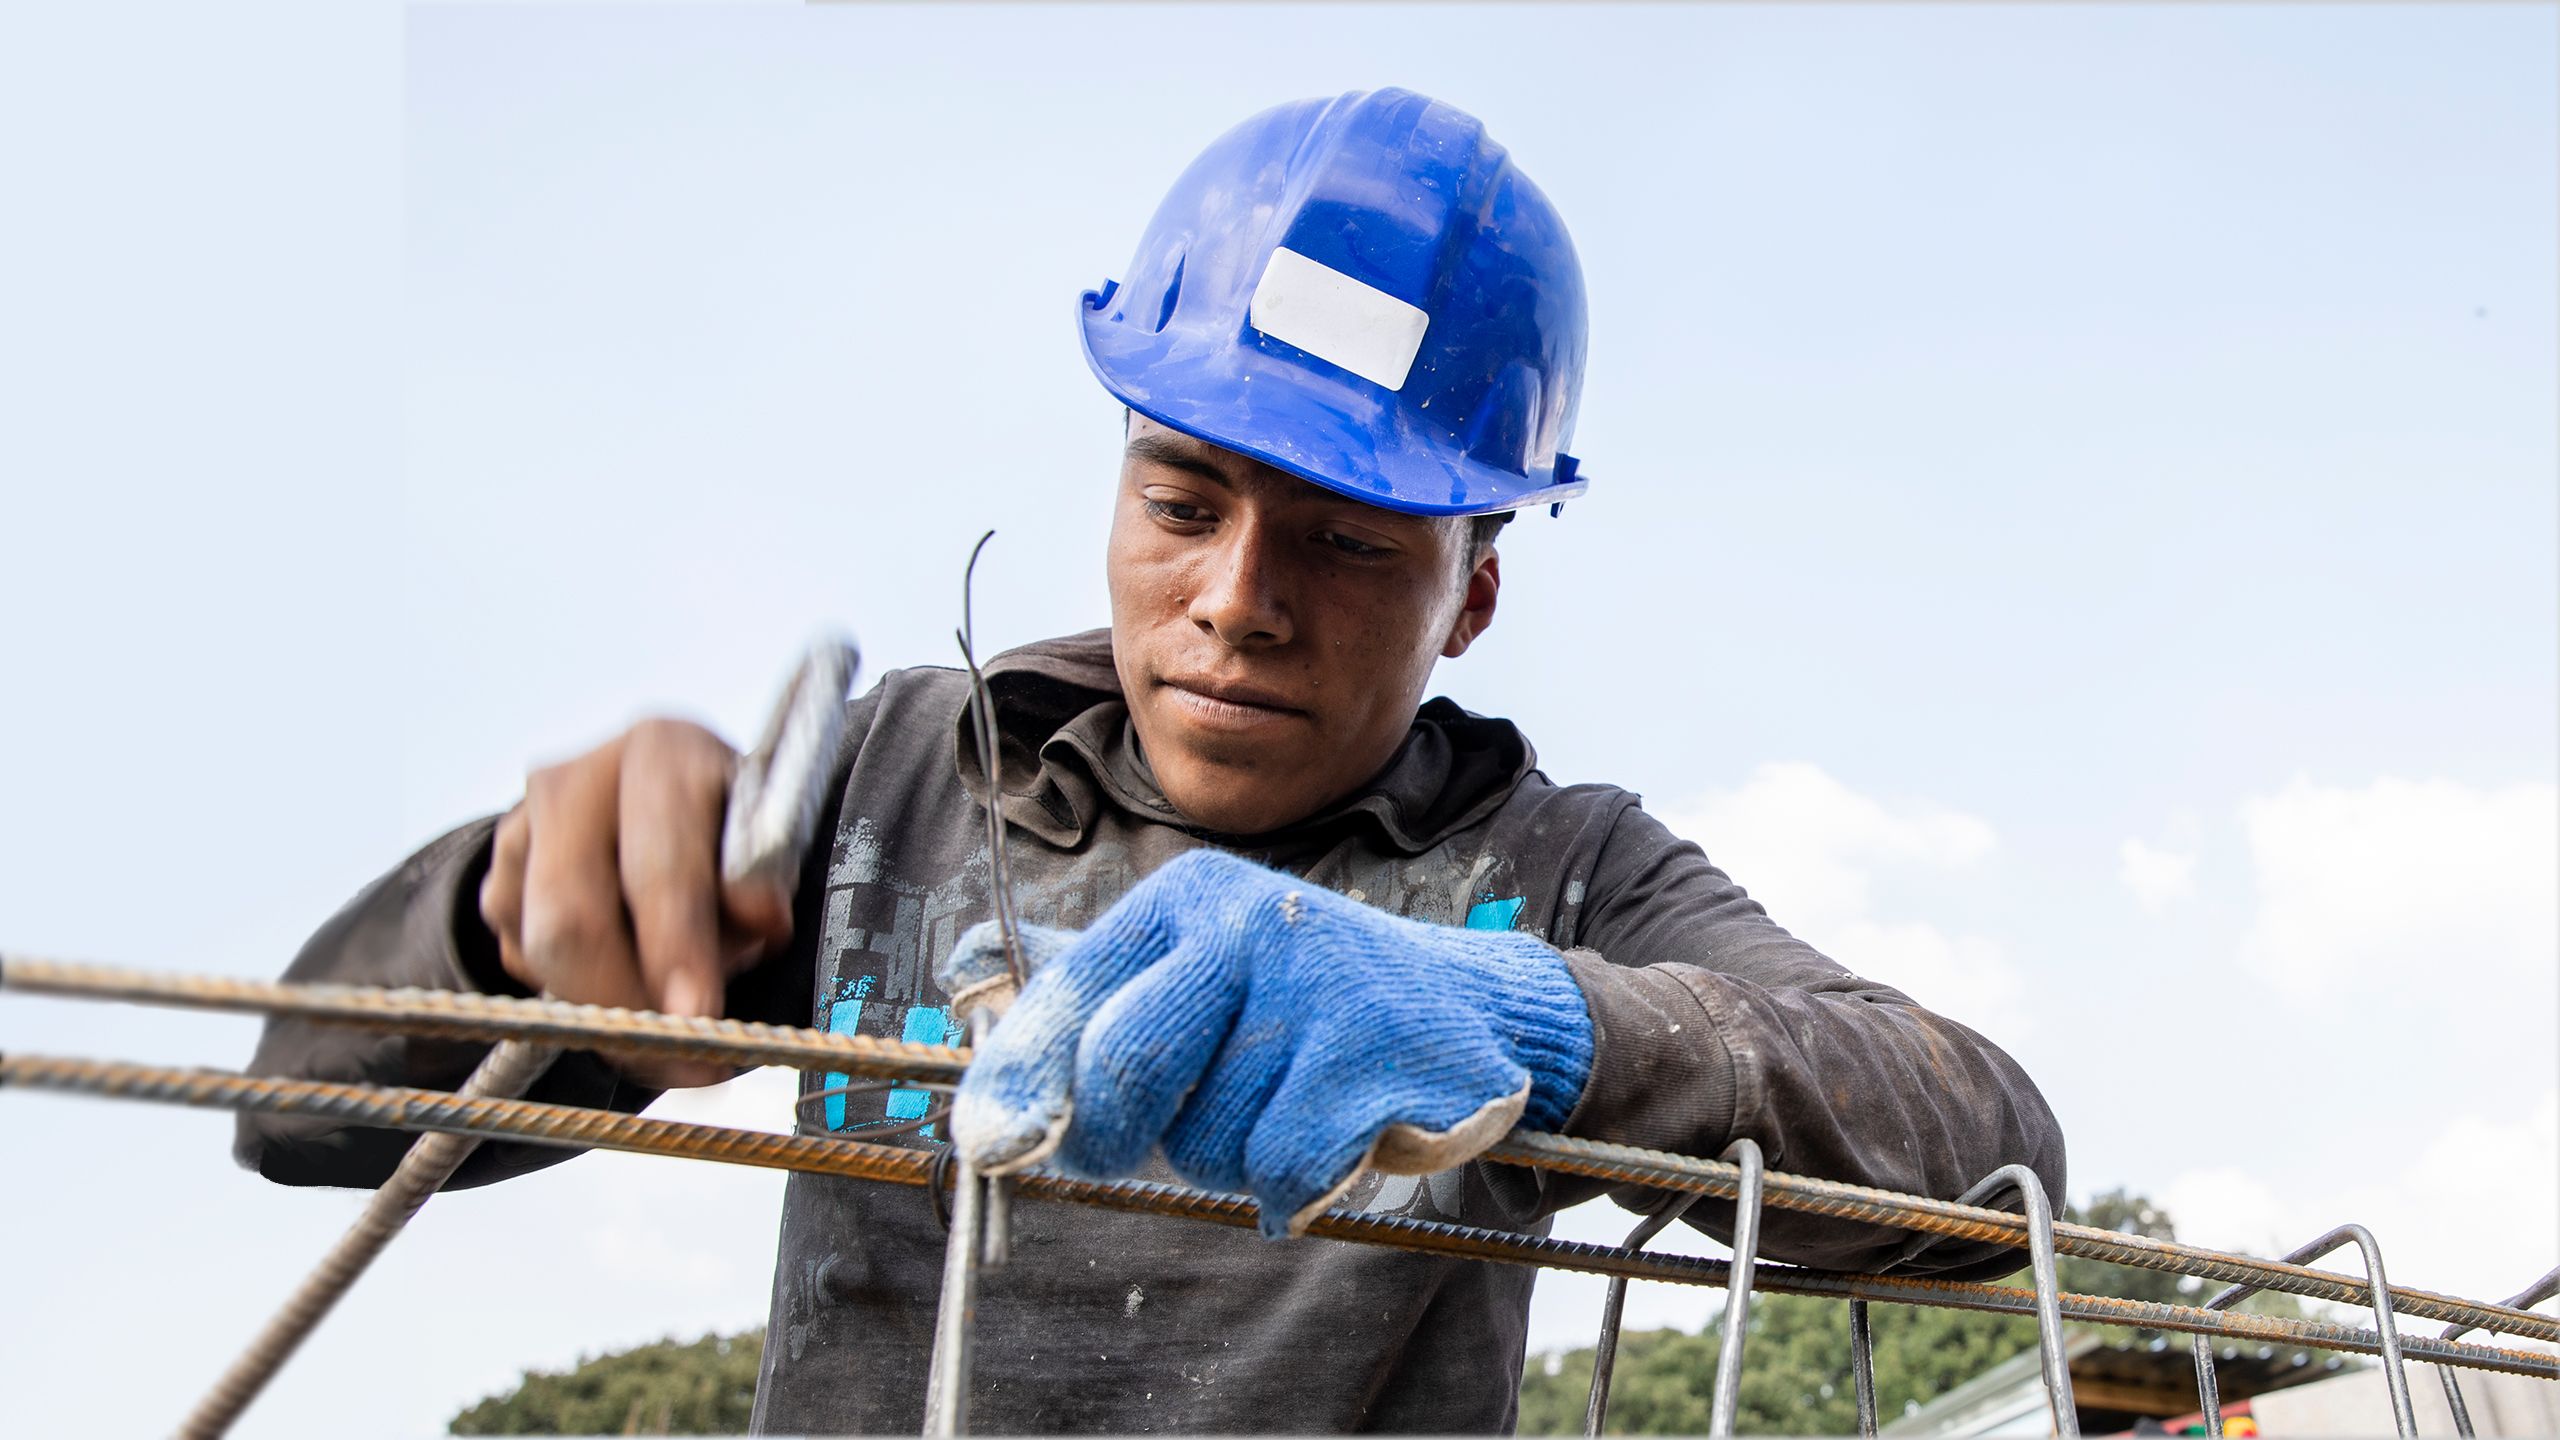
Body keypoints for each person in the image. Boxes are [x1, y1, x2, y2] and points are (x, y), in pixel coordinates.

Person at [237, 87, 2065, 1433]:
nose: (1239, 602)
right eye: (1183, 502)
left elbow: (2001, 1176)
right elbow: (296, 1102)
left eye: (1349, 541)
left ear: (1474, 598)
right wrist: (505, 929)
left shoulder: (1555, 867)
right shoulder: (891, 788)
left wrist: (1542, 1025)